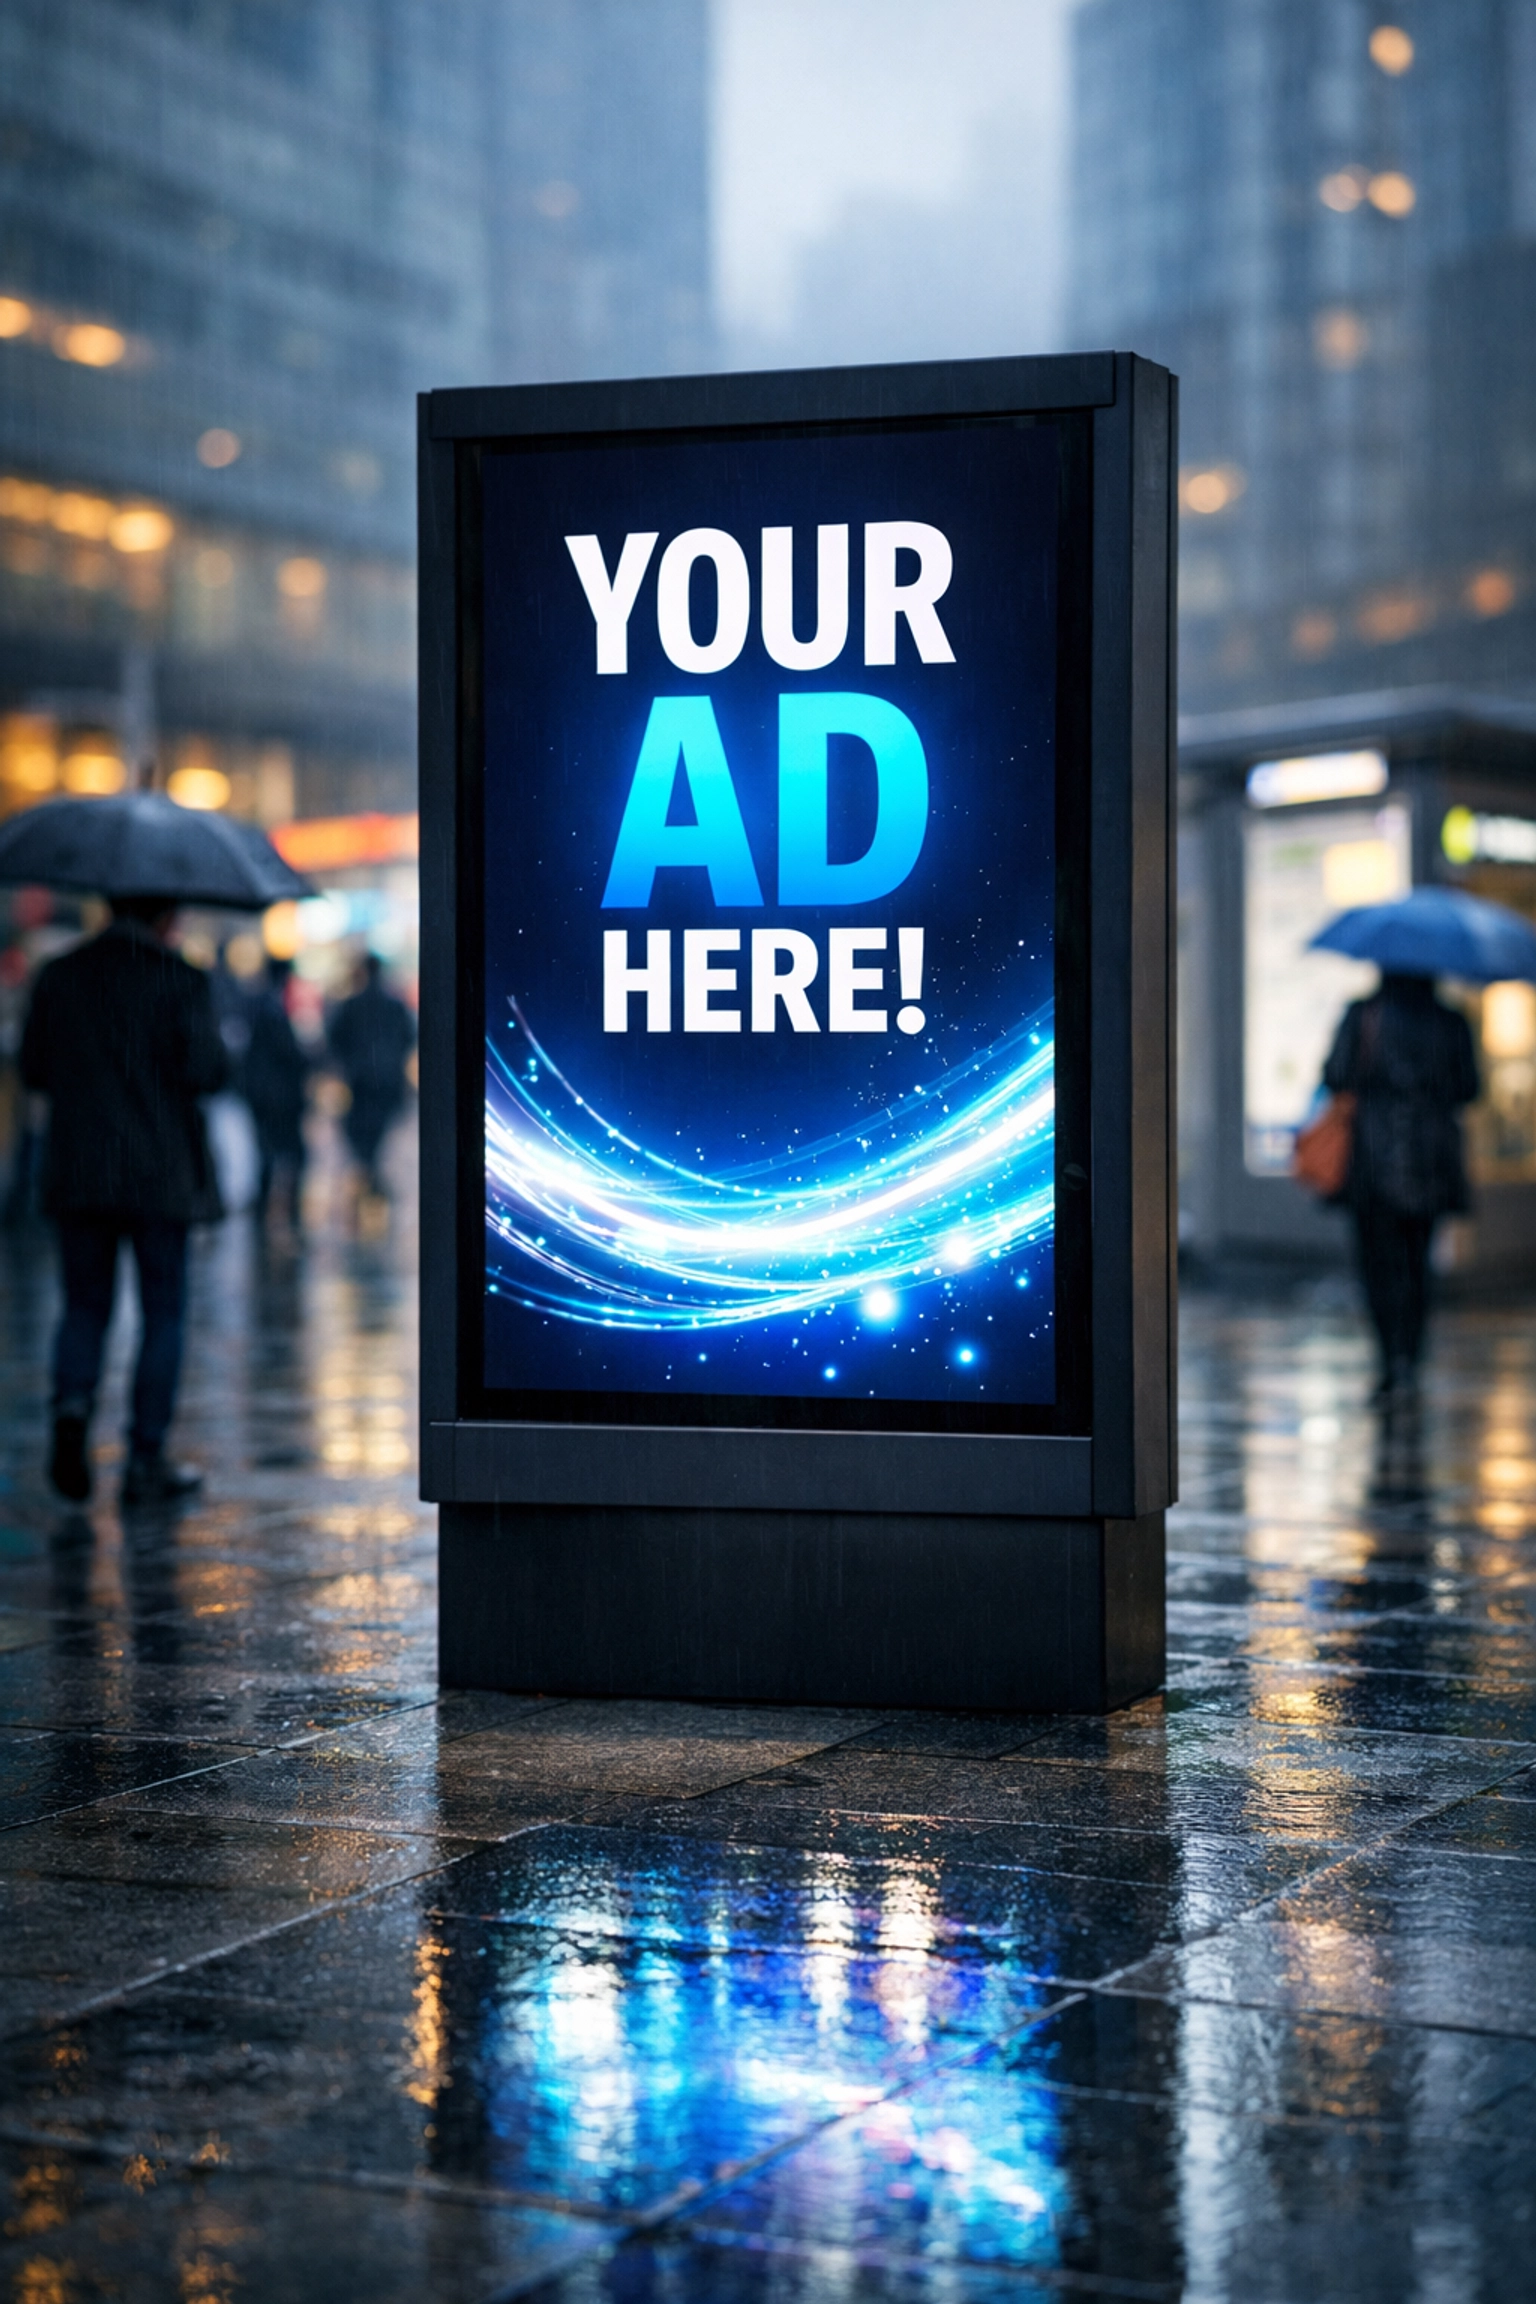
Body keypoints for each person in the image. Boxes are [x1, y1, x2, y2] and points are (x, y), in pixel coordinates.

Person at [19, 894, 227, 1505]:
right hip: (159, 1176)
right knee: (162, 1313)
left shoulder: (60, 975)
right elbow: (209, 1070)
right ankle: (144, 1458)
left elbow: (32, 1067)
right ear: (167, 914)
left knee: (84, 1305)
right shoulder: (179, 977)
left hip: (81, 1171)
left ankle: (73, 1409)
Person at [1322, 970, 1479, 1400]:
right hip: (1429, 1162)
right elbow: (1469, 1087)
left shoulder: (1364, 1014)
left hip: (1373, 1160)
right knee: (1416, 1266)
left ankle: (1390, 1359)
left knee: (1377, 1266)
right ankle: (1409, 1358)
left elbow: (1335, 1073)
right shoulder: (1449, 1021)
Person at [328, 953, 416, 1199]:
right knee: (380, 1128)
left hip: (361, 1081)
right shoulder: (394, 1006)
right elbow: (408, 1037)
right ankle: (372, 1173)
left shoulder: (351, 1005)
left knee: (362, 1130)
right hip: (387, 1080)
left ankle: (368, 1170)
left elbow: (334, 1040)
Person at [240, 955, 309, 1227]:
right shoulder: (273, 1008)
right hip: (278, 1097)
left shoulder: (259, 1003)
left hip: (264, 1094)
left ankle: (265, 1205)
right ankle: (285, 1209)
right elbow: (288, 1052)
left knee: (267, 1150)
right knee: (287, 1152)